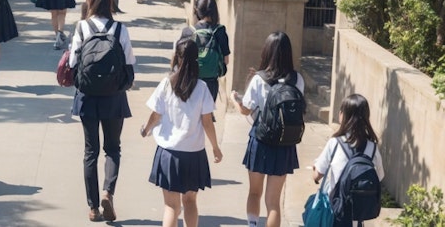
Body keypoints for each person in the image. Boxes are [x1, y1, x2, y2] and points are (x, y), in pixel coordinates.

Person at [70, 0, 135, 222]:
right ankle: (108, 191)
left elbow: (72, 65)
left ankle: (93, 207)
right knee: (112, 149)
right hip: (114, 97)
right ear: (110, 2)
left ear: (89, 1)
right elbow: (129, 63)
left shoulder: (82, 27)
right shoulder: (120, 30)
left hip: (87, 97)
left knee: (90, 151)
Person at [140, 37, 223, 227]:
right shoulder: (202, 88)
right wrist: (215, 148)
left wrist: (146, 130)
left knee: (171, 206)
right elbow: (207, 122)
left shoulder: (167, 84)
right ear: (196, 59)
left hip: (168, 153)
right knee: (190, 202)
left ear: (177, 57)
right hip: (194, 153)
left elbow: (155, 115)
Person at [231, 32, 304, 227]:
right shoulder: (298, 80)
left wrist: (234, 100)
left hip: (261, 140)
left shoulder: (259, 79)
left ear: (267, 51)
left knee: (255, 192)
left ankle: (253, 224)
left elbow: (245, 109)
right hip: (285, 142)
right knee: (273, 203)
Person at [311, 94, 385, 227]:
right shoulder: (372, 147)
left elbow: (317, 174)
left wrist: (315, 171)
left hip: (336, 213)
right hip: (360, 215)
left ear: (342, 115)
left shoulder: (335, 143)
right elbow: (379, 176)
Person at [179, 0, 230, 108]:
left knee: (189, 115)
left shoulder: (188, 31)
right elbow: (226, 60)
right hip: (210, 83)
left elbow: (179, 59)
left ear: (196, 10)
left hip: (190, 81)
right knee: (206, 116)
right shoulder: (220, 31)